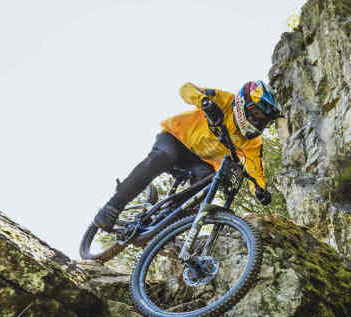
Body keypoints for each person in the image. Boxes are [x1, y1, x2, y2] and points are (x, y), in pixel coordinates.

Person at [93, 80, 283, 231]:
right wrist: (205, 103)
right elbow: (186, 88)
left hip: (199, 161)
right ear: (243, 103)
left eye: (264, 121)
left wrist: (259, 190)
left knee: (207, 186)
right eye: (256, 113)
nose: (258, 121)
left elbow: (255, 169)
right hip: (176, 138)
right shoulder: (225, 100)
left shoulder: (253, 142)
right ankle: (113, 207)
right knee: (163, 157)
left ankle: (167, 226)